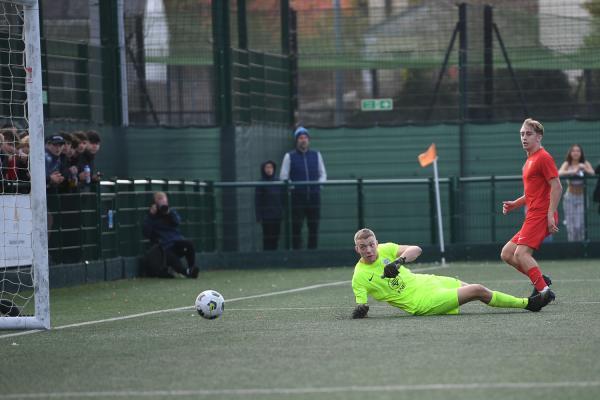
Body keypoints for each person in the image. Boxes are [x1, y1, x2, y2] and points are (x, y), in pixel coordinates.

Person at [350, 228, 551, 319]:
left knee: (477, 289)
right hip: (423, 302)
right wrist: (361, 310)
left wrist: (399, 262)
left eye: (371, 245)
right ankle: (529, 304)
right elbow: (362, 306)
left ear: (377, 243)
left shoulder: (386, 249)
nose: (368, 250)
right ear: (356, 249)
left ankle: (534, 297)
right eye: (362, 247)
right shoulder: (359, 276)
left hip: (428, 282)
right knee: (478, 290)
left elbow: (416, 249)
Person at [500, 118, 560, 301]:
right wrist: (515, 204)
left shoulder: (543, 157)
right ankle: (541, 281)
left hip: (541, 215)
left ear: (539, 137)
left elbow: (557, 186)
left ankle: (544, 293)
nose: (524, 137)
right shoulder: (529, 161)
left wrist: (550, 214)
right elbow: (531, 194)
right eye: (522, 134)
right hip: (533, 215)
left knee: (521, 254)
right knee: (507, 254)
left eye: (529, 134)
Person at [279, 126, 327, 249]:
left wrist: (318, 186)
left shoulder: (316, 155)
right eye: (300, 138)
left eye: (305, 137)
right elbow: (284, 176)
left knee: (313, 226)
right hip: (297, 199)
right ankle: (297, 253)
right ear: (297, 140)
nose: (303, 140)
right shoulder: (289, 156)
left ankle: (313, 252)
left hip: (314, 197)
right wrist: (294, 188)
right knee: (296, 226)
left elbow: (323, 174)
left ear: (308, 140)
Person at [142, 191, 199, 279]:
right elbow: (147, 233)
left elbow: (177, 222)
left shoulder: (171, 212)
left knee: (188, 244)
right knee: (172, 258)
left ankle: (192, 267)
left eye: (165, 202)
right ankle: (186, 272)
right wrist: (151, 215)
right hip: (164, 247)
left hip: (176, 242)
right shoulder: (150, 218)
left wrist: (168, 213)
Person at [558, 144, 595, 242]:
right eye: (573, 151)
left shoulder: (584, 163)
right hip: (570, 197)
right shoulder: (567, 164)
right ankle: (572, 247)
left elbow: (592, 173)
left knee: (580, 225)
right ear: (570, 153)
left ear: (581, 153)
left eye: (578, 151)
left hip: (581, 197)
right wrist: (573, 171)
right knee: (571, 226)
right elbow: (559, 173)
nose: (575, 153)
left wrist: (584, 168)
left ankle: (581, 247)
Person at [255, 160, 284, 250]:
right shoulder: (260, 183)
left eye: (271, 167)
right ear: (263, 169)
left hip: (277, 215)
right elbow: (257, 201)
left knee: (276, 237)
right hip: (266, 216)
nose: (269, 169)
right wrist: (258, 216)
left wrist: (282, 212)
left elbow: (282, 198)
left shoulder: (278, 182)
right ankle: (267, 257)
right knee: (267, 238)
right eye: (267, 167)